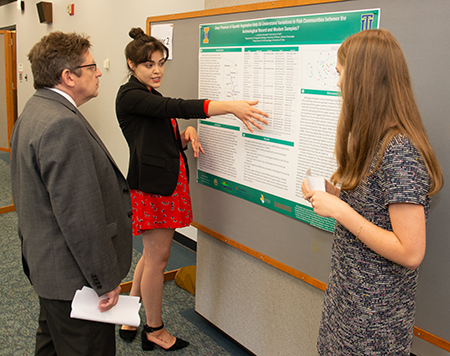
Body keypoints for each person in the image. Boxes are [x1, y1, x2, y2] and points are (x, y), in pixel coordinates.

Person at [115, 27, 268, 351]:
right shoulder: (130, 95)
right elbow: (178, 106)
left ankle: (129, 312)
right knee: (158, 258)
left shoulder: (148, 95)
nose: (157, 70)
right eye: (148, 65)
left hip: (162, 183)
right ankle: (154, 329)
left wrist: (184, 134)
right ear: (131, 64)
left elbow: (157, 133)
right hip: (154, 188)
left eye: (160, 62)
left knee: (152, 253)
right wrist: (231, 107)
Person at [301, 29, 444, 355]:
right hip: (349, 303)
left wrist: (340, 211)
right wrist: (337, 198)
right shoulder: (375, 142)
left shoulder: (399, 152)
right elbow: (375, 216)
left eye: (341, 74)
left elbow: (410, 251)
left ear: (362, 78)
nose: (338, 84)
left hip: (374, 322)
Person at [10, 32, 133, 356]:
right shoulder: (62, 125)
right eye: (92, 66)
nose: (100, 72)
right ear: (68, 76)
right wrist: (104, 280)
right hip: (73, 279)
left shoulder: (35, 110)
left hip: (48, 269)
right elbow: (81, 216)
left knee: (51, 346)